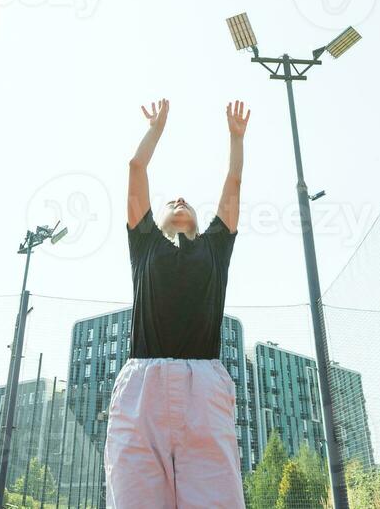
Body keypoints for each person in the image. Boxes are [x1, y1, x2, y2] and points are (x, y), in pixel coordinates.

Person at [104, 97, 250, 509]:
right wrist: (156, 130)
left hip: (203, 387)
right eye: (172, 202)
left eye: (186, 202)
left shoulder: (215, 247)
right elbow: (136, 168)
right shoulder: (144, 242)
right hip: (142, 387)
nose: (180, 199)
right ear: (157, 217)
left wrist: (235, 138)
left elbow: (234, 182)